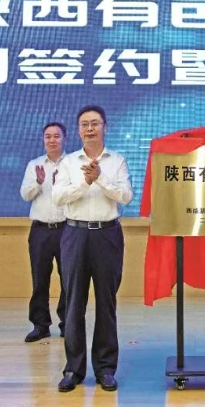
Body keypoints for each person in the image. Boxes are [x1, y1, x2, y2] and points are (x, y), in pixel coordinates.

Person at [53, 105, 133, 392]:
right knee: (74, 303)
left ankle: (105, 369)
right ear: (78, 130)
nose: (90, 128)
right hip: (75, 234)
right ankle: (73, 369)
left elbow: (125, 195)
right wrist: (85, 181)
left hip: (107, 235)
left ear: (105, 127)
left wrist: (100, 177)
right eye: (85, 124)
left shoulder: (117, 161)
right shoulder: (68, 162)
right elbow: (59, 197)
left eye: (95, 123)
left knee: (106, 303)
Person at [20, 122, 68, 342]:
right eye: (48, 136)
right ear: (43, 140)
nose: (52, 140)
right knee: (39, 279)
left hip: (67, 228)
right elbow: (25, 195)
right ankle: (40, 325)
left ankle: (68, 323)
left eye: (56, 136)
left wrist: (61, 186)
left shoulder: (72, 163)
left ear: (64, 138)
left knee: (69, 279)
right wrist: (39, 183)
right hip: (40, 230)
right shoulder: (34, 165)